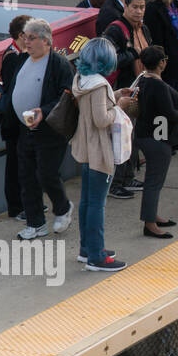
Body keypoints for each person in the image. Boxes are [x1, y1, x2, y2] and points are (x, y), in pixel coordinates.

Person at [4, 19, 75, 240]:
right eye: (25, 37)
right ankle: (36, 224)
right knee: (26, 177)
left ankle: (62, 208)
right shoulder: (23, 59)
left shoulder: (59, 64)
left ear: (45, 40)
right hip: (25, 129)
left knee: (46, 174)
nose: (26, 41)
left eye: (31, 37)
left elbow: (66, 95)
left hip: (50, 130)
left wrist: (43, 111)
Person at [69, 37, 134, 271]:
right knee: (97, 204)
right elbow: (102, 119)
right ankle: (97, 257)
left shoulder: (82, 79)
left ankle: (87, 249)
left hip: (85, 148)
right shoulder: (99, 84)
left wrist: (114, 96)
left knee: (87, 201)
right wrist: (120, 106)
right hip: (100, 151)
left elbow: (94, 108)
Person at [103, 0, 151, 199]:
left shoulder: (143, 29)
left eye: (142, 7)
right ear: (126, 6)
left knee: (132, 136)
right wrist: (132, 53)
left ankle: (128, 176)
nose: (139, 11)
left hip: (139, 88)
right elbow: (108, 60)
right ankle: (116, 183)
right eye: (135, 7)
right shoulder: (115, 30)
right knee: (121, 136)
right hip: (121, 91)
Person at [131, 45, 178, 239]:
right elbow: (169, 112)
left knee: (155, 181)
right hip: (157, 139)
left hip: (145, 135)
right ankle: (150, 224)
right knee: (154, 182)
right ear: (161, 63)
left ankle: (152, 216)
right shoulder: (158, 85)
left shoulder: (143, 79)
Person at [0, 14, 32, 220]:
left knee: (25, 162)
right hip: (13, 121)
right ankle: (16, 207)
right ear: (21, 35)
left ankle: (27, 202)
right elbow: (14, 88)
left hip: (21, 118)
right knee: (15, 164)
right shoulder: (12, 57)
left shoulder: (21, 54)